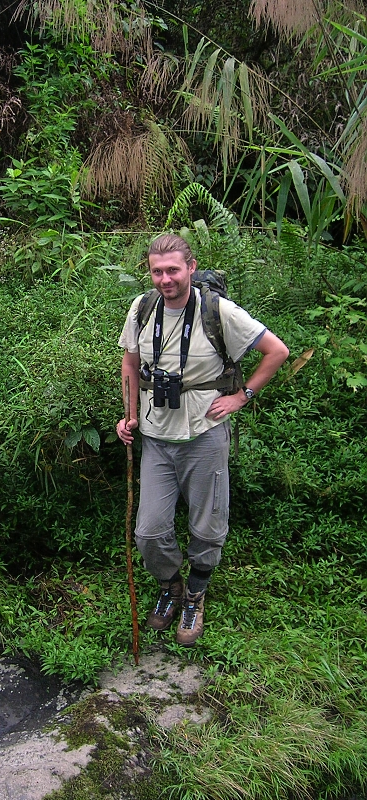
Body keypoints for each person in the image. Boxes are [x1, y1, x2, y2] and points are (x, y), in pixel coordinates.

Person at [116, 234, 289, 646]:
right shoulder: (142, 308)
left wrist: (241, 397)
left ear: (191, 268)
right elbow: (130, 362)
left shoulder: (218, 310)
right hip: (157, 436)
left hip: (204, 434)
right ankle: (171, 585)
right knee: (148, 532)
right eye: (157, 271)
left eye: (173, 270)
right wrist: (130, 414)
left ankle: (196, 593)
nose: (165, 279)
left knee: (207, 523)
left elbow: (277, 351)